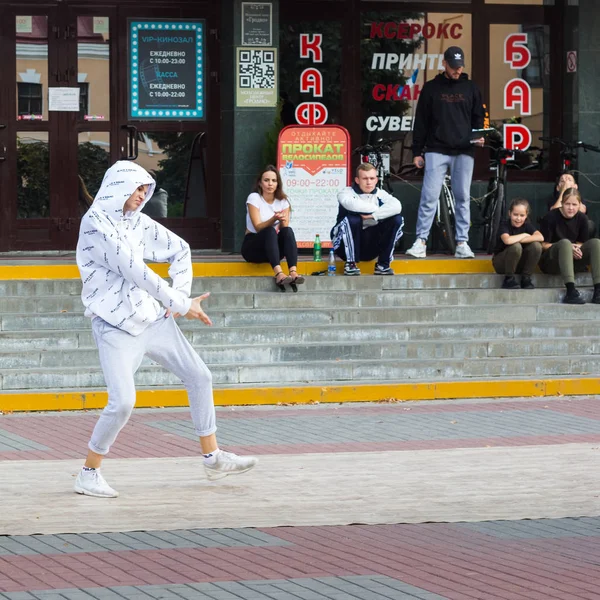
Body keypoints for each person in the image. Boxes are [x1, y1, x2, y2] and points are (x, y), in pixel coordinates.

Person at [74, 161, 257, 498]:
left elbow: (180, 250)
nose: (142, 195)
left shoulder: (137, 221)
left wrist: (180, 298)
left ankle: (213, 458)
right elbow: (135, 271)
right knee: (123, 403)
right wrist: (182, 304)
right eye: (138, 188)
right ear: (119, 185)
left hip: (155, 319)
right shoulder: (95, 225)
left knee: (200, 376)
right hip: (115, 326)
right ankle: (89, 472)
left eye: (147, 189)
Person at [406, 46, 485, 259]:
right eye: (453, 66)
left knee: (462, 197)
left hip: (464, 150)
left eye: (460, 66)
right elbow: (421, 122)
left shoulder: (471, 88)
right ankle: (420, 241)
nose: (457, 70)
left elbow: (479, 116)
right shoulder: (431, 88)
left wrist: (479, 135)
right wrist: (417, 151)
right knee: (429, 196)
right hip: (436, 148)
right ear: (444, 63)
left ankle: (462, 243)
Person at [330, 162, 403, 276]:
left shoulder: (381, 194)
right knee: (353, 219)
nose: (368, 182)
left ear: (376, 180)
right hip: (344, 248)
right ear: (357, 180)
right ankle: (350, 263)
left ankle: (383, 264)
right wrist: (381, 210)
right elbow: (353, 205)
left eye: (372, 178)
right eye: (364, 178)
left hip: (371, 247)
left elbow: (397, 207)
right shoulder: (346, 192)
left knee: (397, 219)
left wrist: (373, 216)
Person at [241, 165, 304, 290]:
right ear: (260, 183)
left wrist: (283, 220)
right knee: (269, 231)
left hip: (272, 250)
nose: (270, 184)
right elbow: (258, 227)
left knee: (288, 231)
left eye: (274, 181)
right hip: (253, 248)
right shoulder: (254, 198)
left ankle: (293, 272)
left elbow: (284, 230)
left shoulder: (283, 201)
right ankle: (279, 274)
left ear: (278, 184)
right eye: (266, 180)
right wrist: (274, 219)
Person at [539, 187, 600, 304]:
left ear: (580, 205)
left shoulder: (582, 218)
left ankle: (598, 291)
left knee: (596, 243)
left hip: (572, 262)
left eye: (574, 204)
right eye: (567, 204)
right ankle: (570, 291)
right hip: (551, 263)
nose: (571, 208)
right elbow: (543, 245)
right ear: (561, 203)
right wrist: (568, 247)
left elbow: (582, 243)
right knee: (565, 243)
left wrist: (575, 249)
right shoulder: (551, 217)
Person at [492, 198, 543, 289]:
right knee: (516, 247)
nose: (518, 218)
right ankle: (509, 279)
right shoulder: (504, 225)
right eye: (515, 214)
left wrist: (521, 239)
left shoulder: (527, 225)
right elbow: (507, 240)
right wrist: (523, 235)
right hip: (501, 264)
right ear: (509, 213)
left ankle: (526, 278)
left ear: (526, 215)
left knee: (536, 246)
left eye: (522, 215)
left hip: (518, 263)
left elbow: (540, 237)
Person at [547, 172, 595, 238]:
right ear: (558, 187)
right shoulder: (553, 198)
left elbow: (583, 211)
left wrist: (572, 192)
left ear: (575, 186)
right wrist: (564, 190)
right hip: (559, 228)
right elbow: (553, 211)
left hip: (575, 227)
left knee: (590, 224)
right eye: (562, 181)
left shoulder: (579, 198)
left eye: (569, 180)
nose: (566, 183)